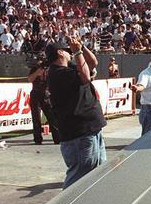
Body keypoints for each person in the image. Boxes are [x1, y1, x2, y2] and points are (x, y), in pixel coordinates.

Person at [46, 39, 107, 188]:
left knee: (98, 171)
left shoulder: (71, 67)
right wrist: (78, 52)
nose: (70, 53)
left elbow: (93, 63)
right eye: (67, 50)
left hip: (90, 129)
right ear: (60, 52)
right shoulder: (57, 73)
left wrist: (82, 47)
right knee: (79, 177)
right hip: (79, 133)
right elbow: (85, 77)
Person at [27, 61, 58, 146]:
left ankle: (57, 137)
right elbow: (30, 79)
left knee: (52, 117)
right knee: (36, 118)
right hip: (35, 94)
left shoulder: (50, 69)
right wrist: (37, 72)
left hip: (46, 94)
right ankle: (37, 139)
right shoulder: (35, 68)